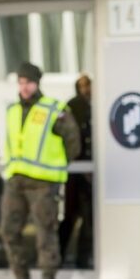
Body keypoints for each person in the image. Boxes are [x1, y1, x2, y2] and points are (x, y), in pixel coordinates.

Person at [0, 62, 81, 279]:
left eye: (28, 82)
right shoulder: (12, 110)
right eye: (21, 82)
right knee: (8, 231)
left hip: (43, 183)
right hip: (16, 180)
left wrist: (57, 164)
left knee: (45, 233)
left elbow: (73, 142)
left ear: (37, 83)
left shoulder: (54, 109)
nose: (24, 87)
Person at [58, 73, 93, 268]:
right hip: (75, 171)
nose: (87, 90)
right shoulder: (73, 106)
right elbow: (72, 140)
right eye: (83, 86)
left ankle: (83, 259)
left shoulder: (98, 104)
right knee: (70, 217)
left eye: (88, 86)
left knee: (89, 219)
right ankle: (60, 255)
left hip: (89, 170)